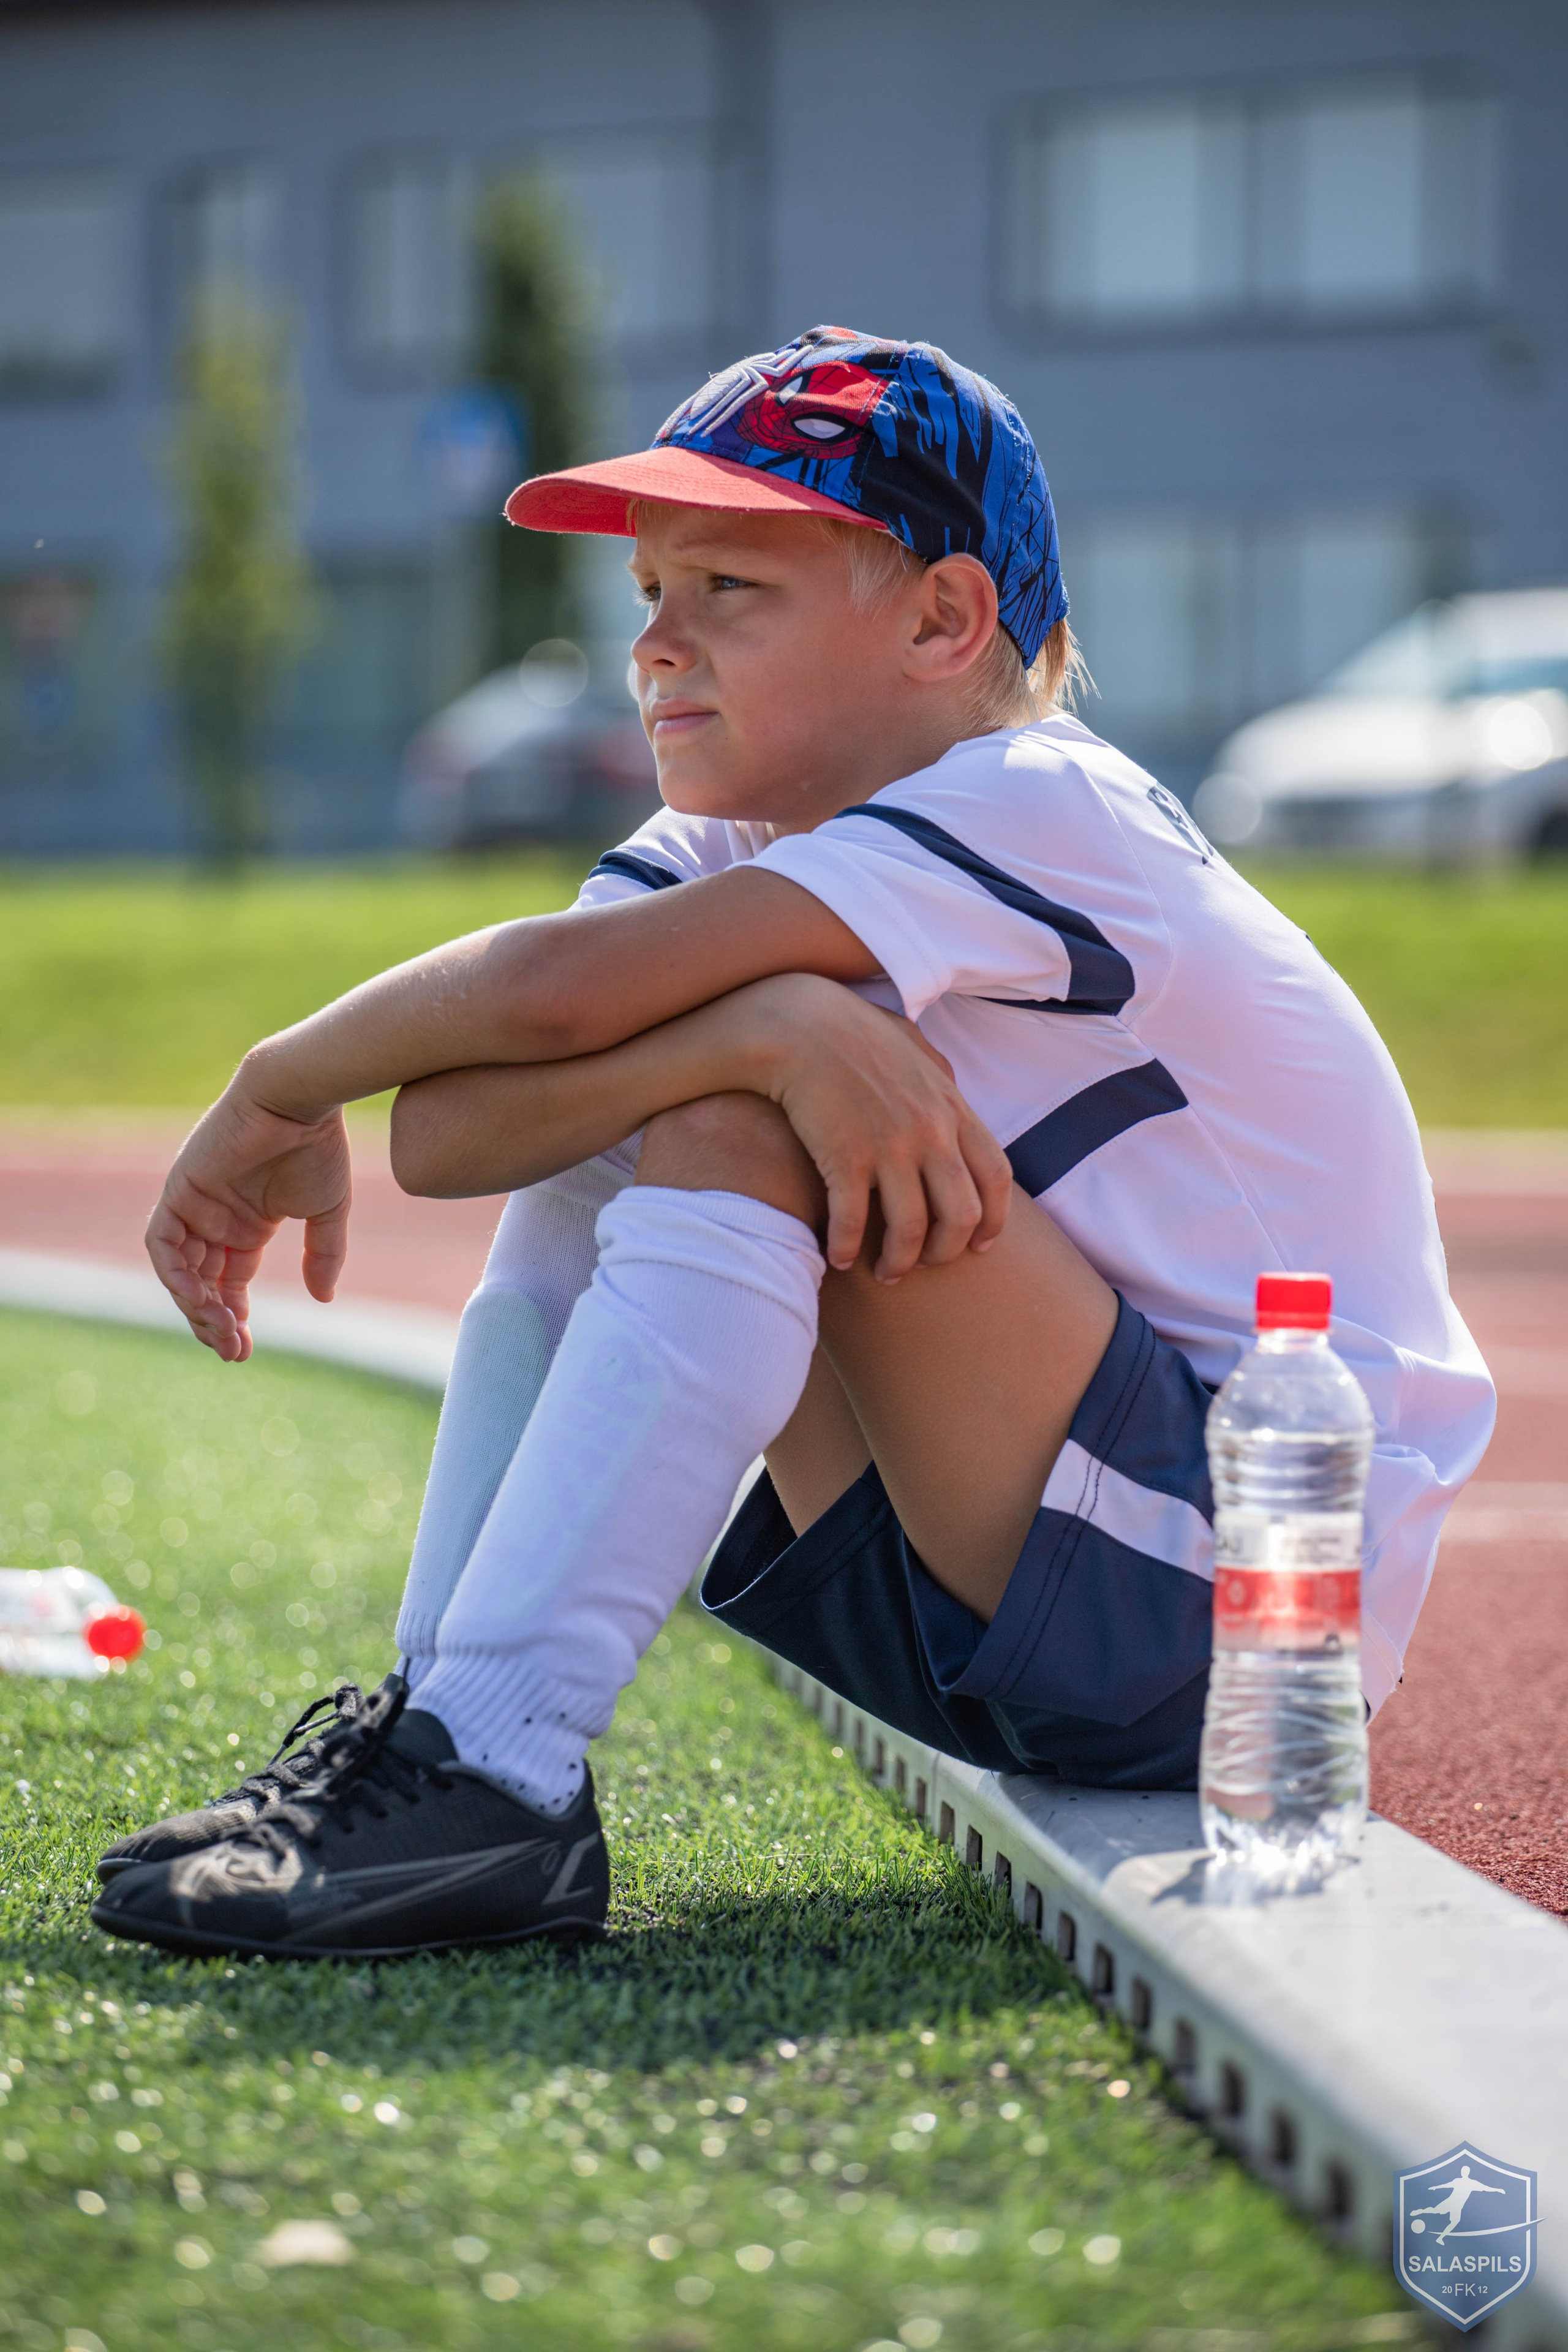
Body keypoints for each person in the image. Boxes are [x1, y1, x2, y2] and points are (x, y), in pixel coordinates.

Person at [91, 326, 1494, 1962]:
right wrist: (767, 1028)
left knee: (713, 1103)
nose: (658, 649)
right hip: (1012, 1559)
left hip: (1241, 1614)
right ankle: (443, 1735)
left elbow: (548, 999)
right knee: (673, 1097)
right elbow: (462, 1127)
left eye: (728, 593)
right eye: (650, 598)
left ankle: (496, 1769)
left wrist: (276, 1085)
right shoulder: (733, 834)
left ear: (944, 619)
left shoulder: (1046, 801)